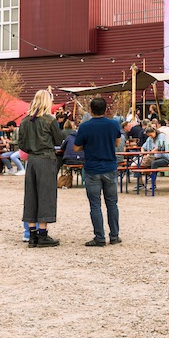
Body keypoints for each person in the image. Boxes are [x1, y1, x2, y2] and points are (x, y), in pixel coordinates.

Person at [17, 89, 66, 247]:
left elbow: (22, 144)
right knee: (46, 195)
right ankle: (43, 234)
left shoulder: (25, 121)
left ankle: (32, 235)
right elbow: (59, 140)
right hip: (46, 158)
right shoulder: (49, 120)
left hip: (32, 160)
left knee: (31, 195)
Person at [74, 96, 123, 247]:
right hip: (110, 166)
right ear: (105, 109)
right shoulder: (113, 124)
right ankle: (114, 235)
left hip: (92, 168)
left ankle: (99, 237)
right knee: (112, 204)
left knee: (95, 205)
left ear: (90, 110)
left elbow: (76, 147)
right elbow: (117, 143)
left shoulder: (85, 127)